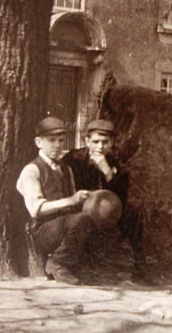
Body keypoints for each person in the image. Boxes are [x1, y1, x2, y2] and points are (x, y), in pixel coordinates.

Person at [16, 116, 97, 284]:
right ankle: (57, 263)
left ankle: (73, 263)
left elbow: (74, 199)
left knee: (92, 218)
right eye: (51, 140)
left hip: (64, 226)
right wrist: (71, 200)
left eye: (61, 140)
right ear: (38, 142)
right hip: (42, 228)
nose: (57, 145)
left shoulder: (66, 169)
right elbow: (36, 209)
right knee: (79, 221)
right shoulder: (32, 170)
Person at [62, 119, 146, 281]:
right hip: (81, 207)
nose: (100, 147)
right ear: (86, 141)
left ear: (112, 142)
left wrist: (107, 171)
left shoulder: (114, 162)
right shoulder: (74, 159)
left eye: (105, 142)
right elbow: (68, 188)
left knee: (135, 210)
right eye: (95, 142)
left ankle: (139, 267)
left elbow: (122, 196)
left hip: (109, 209)